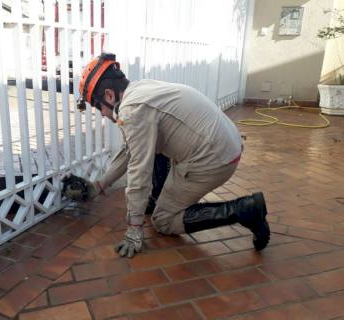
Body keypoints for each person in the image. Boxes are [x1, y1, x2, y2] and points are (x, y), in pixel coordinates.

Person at [63, 52, 270, 258]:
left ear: (109, 95)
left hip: (214, 159)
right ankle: (157, 200)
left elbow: (139, 171)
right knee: (149, 148)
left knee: (163, 221)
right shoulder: (139, 90)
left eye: (97, 106)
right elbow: (132, 149)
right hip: (224, 143)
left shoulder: (131, 110)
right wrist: (98, 186)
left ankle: (245, 210)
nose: (101, 113)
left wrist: (135, 227)